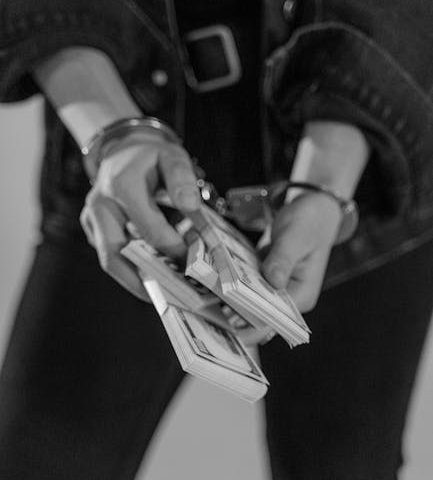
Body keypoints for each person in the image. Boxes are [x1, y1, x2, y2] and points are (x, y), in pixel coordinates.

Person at [0, 1, 433, 479]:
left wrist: (332, 171)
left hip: (369, 169)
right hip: (127, 185)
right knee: (40, 459)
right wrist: (112, 132)